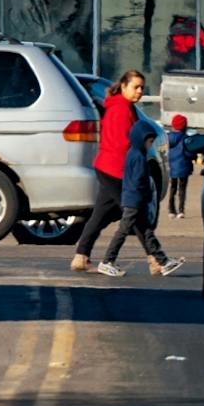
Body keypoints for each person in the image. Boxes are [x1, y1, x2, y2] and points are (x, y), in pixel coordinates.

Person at [99, 101, 185, 277]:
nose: (150, 144)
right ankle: (107, 261)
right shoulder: (138, 156)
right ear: (141, 139)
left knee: (146, 231)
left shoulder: (134, 153)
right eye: (150, 141)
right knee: (124, 230)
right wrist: (146, 197)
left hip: (133, 199)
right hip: (134, 200)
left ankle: (163, 261)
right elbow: (139, 181)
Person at [73, 70, 143, 273]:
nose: (139, 92)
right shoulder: (122, 109)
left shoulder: (122, 107)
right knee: (134, 212)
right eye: (135, 87)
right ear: (123, 86)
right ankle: (156, 259)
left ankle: (81, 256)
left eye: (142, 88)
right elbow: (123, 143)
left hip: (108, 167)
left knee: (102, 213)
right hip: (115, 170)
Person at [166, 118, 197, 218]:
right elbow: (190, 153)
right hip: (184, 167)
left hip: (171, 167)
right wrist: (194, 157)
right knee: (182, 189)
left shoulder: (167, 138)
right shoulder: (187, 139)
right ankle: (181, 210)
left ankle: (171, 210)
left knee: (172, 188)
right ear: (184, 126)